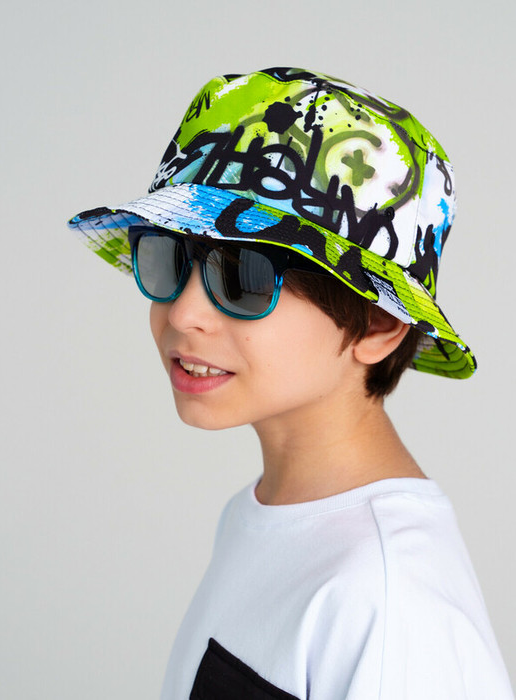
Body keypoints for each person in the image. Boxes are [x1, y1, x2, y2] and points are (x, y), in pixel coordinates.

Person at [68, 67, 514, 699]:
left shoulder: (390, 603)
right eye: (169, 256)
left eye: (244, 277)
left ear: (379, 324)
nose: (184, 313)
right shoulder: (259, 517)